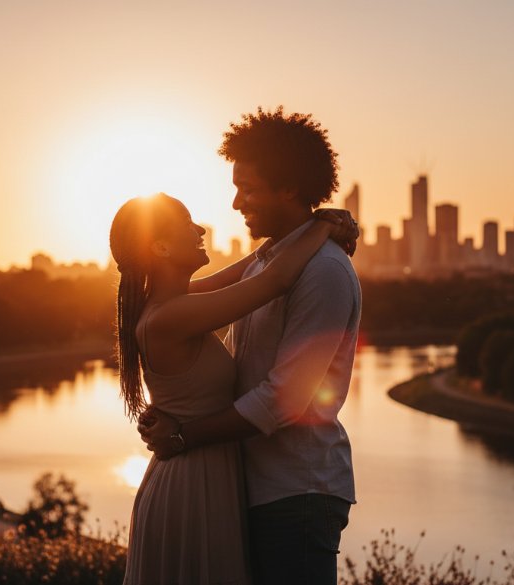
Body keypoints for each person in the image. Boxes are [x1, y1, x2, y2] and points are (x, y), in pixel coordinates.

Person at [140, 107, 361, 585]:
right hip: (251, 488)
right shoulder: (266, 262)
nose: (236, 202)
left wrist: (184, 434)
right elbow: (179, 308)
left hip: (296, 493)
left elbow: (283, 400)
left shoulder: (322, 271)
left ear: (290, 188)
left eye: (248, 188)